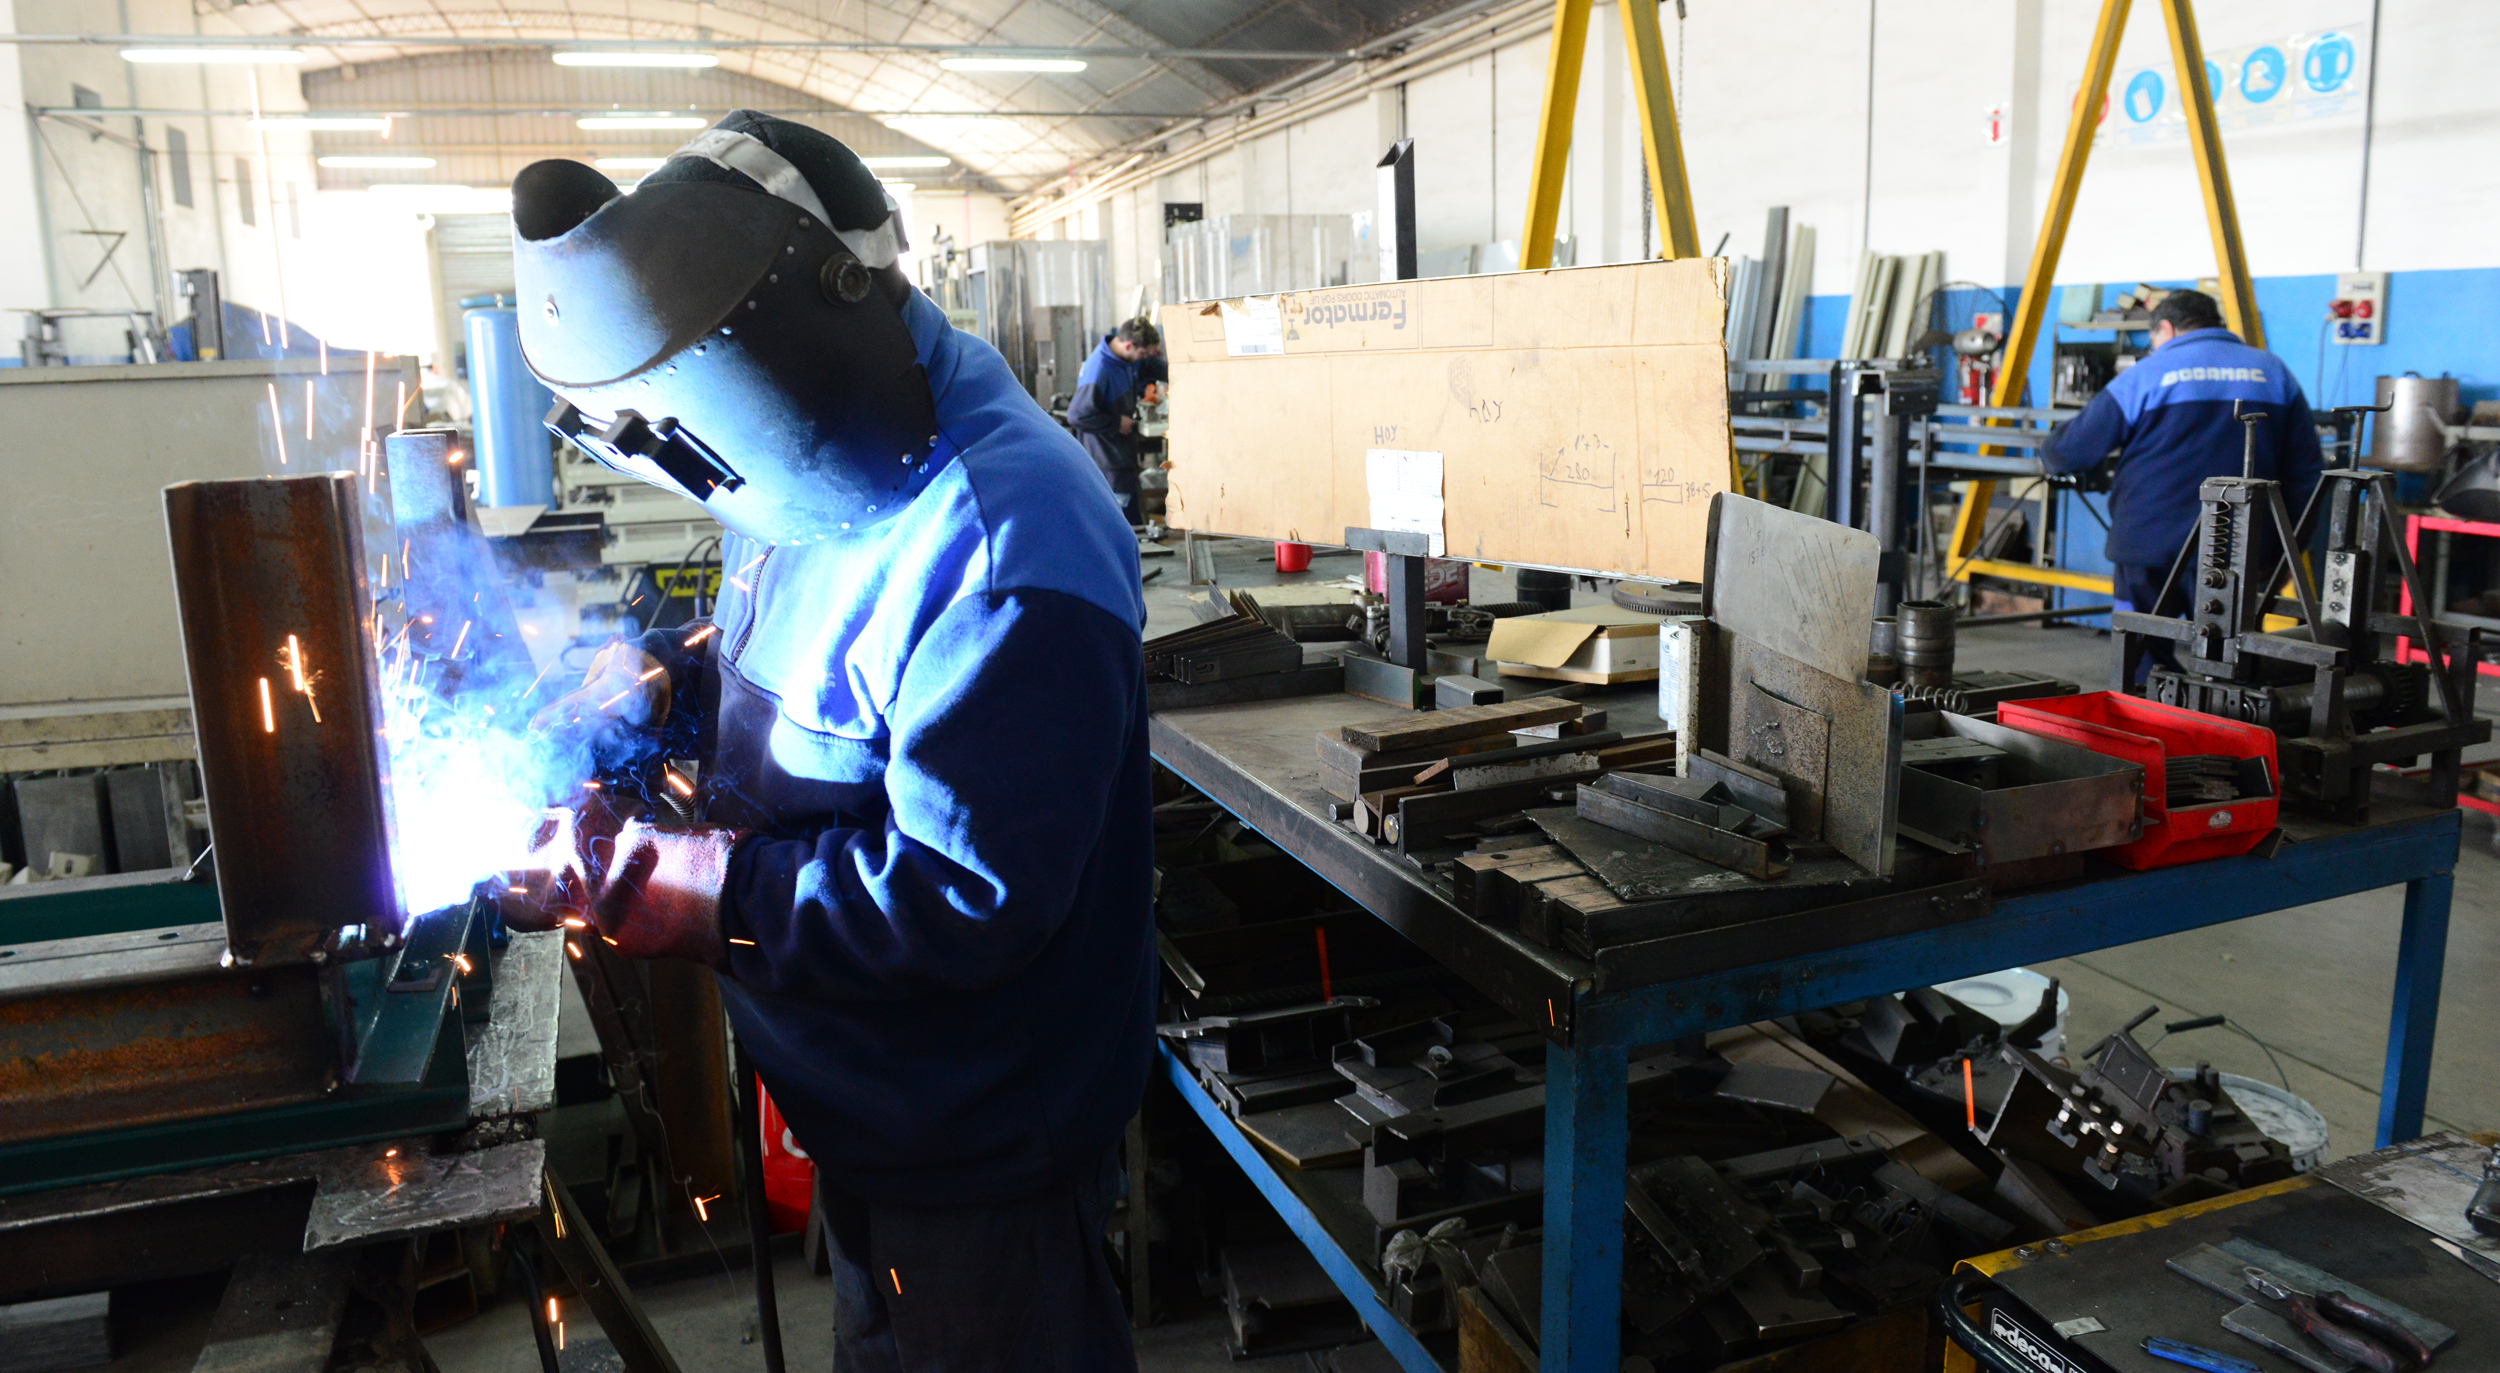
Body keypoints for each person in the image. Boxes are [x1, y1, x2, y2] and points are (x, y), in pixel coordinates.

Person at [503, 112, 1152, 1373]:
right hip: (860, 1104)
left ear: (821, 308)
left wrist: (669, 886)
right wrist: (652, 695)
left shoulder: (1006, 544)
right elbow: (783, 655)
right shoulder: (803, 451)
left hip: (975, 1151)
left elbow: (964, 899)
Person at [2043, 288, 2323, 627]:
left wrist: (2048, 452)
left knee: (2139, 651)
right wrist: (2283, 555)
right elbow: (2307, 476)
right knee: (2228, 660)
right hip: (2239, 546)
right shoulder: (2274, 372)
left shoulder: (2147, 374)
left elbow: (2068, 451)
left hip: (2148, 544)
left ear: (2166, 328)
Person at [1063, 317, 1161, 519]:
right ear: (1129, 345)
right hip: (1108, 459)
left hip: (1123, 454)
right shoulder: (1100, 370)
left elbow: (1150, 364)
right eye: (1142, 353)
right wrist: (1116, 423)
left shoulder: (1125, 359)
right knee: (1119, 518)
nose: (1143, 359)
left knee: (1132, 516)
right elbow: (1077, 415)